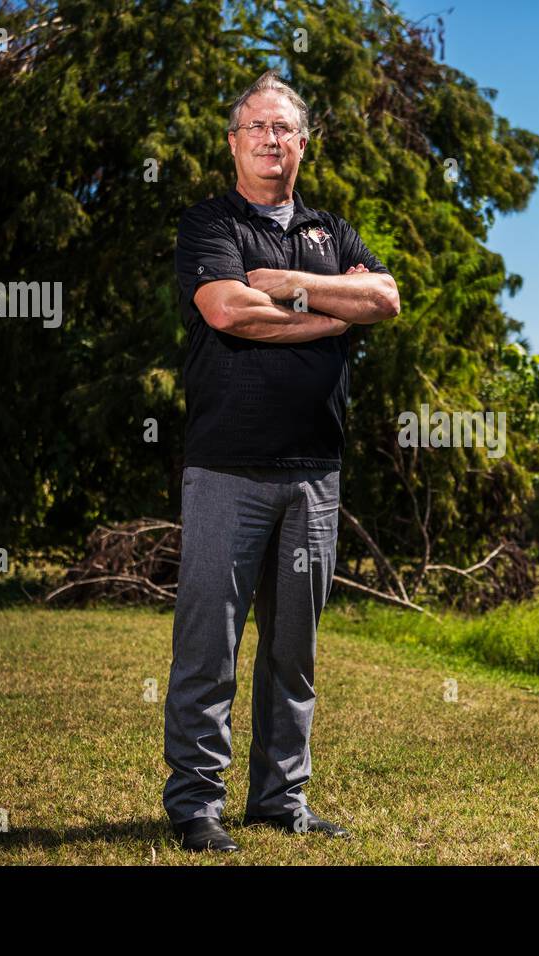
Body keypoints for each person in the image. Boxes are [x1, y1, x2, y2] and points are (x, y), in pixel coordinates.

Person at [163, 70, 400, 852]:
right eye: (256, 126)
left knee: (292, 653)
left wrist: (295, 286)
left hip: (314, 476)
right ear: (235, 142)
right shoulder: (211, 222)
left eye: (284, 127)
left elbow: (386, 301)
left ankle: (279, 800)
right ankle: (196, 805)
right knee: (210, 646)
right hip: (227, 467)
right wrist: (333, 311)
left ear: (304, 143)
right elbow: (229, 310)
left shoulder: (331, 230)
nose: (271, 138)